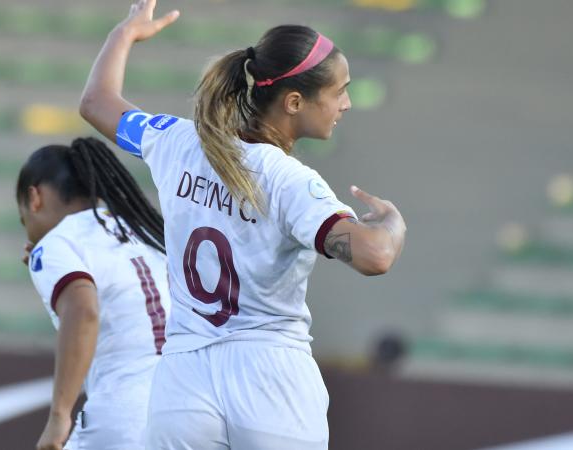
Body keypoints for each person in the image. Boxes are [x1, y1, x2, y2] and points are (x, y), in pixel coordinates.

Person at [79, 1, 406, 448]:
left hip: (183, 380)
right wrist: (392, 223)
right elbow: (375, 254)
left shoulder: (176, 140)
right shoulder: (291, 182)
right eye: (339, 91)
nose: (346, 103)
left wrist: (124, 34)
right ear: (295, 102)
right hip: (270, 379)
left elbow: (96, 102)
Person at [16, 137, 170, 450]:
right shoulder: (141, 230)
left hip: (125, 412)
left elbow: (84, 311)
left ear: (35, 198)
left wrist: (59, 415)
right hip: (188, 407)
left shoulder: (56, 244)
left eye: (23, 220)